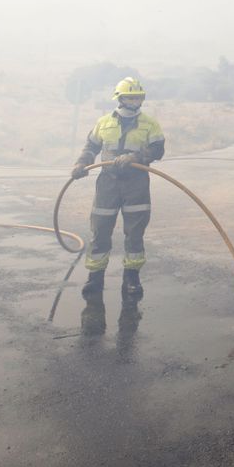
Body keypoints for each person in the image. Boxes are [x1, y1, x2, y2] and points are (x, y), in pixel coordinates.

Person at [71, 77, 165, 300]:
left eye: (138, 97)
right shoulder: (104, 122)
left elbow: (158, 149)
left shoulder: (150, 124)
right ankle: (95, 278)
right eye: (130, 97)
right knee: (100, 229)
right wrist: (81, 163)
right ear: (120, 99)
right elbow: (91, 147)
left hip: (136, 183)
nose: (134, 101)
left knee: (135, 233)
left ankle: (132, 278)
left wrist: (135, 157)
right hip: (108, 183)